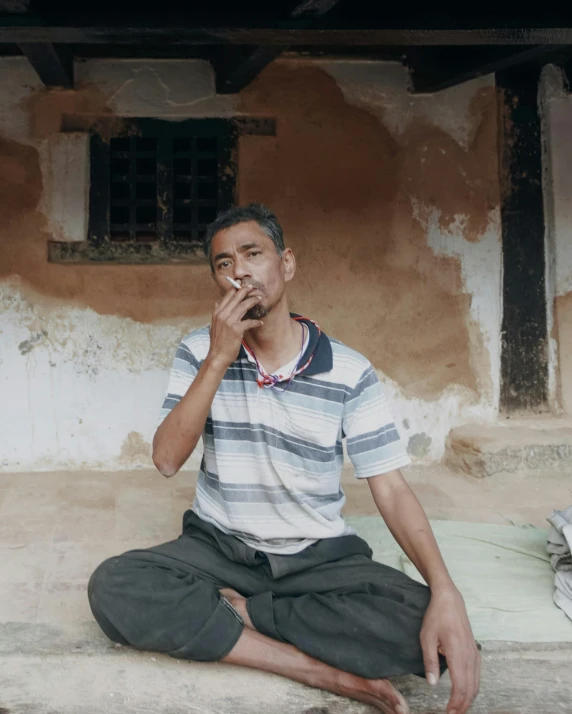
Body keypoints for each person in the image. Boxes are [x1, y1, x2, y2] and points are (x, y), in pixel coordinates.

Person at [88, 203, 480, 714]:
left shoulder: (349, 371)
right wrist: (219, 357)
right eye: (224, 264)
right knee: (115, 587)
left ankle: (242, 615)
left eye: (253, 254)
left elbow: (391, 488)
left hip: (317, 557)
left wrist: (446, 590)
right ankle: (318, 669)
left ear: (286, 264)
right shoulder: (197, 353)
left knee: (427, 625)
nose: (240, 271)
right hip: (220, 548)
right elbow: (165, 460)